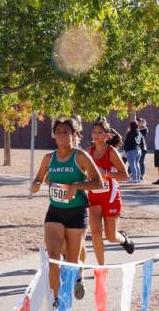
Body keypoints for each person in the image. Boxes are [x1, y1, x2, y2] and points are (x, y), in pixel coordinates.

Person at [30, 116, 104, 301]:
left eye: (66, 132)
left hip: (76, 213)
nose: (62, 136)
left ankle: (76, 279)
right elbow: (39, 178)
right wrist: (36, 184)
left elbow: (98, 183)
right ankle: (55, 301)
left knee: (71, 262)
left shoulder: (80, 156)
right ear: (54, 136)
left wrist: (76, 186)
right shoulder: (49, 158)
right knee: (53, 258)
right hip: (55, 212)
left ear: (74, 135)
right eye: (58, 132)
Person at [88, 119, 136, 264]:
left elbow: (125, 175)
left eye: (100, 132)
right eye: (94, 132)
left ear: (107, 135)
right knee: (96, 233)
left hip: (111, 197)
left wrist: (106, 173)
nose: (96, 135)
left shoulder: (111, 151)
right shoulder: (88, 152)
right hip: (94, 196)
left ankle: (124, 239)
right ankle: (101, 267)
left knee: (110, 236)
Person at [137, 118, 149, 184]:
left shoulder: (145, 129)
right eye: (139, 121)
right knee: (136, 162)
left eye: (141, 122)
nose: (140, 122)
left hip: (142, 148)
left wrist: (137, 129)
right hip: (136, 148)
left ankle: (141, 175)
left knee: (141, 162)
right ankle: (135, 175)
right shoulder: (136, 128)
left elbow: (141, 136)